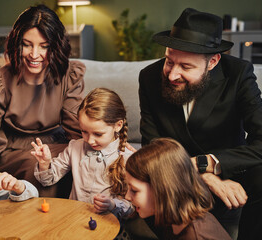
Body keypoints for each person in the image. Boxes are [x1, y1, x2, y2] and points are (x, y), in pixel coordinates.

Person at [139, 8, 262, 240]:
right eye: (169, 61)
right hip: (175, 173)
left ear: (213, 62)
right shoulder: (148, 77)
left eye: (186, 67)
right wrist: (203, 175)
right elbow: (153, 146)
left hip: (230, 171)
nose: (173, 74)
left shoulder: (238, 75)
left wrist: (212, 163)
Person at [0, 4, 86, 197]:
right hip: (13, 151)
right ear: (16, 43)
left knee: (77, 158)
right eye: (27, 44)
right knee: (41, 167)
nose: (34, 54)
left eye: (44, 46)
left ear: (55, 46)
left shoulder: (69, 75)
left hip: (57, 144)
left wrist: (112, 146)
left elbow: (77, 130)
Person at [32, 88, 134, 221]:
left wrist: (112, 205)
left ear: (118, 125)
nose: (90, 140)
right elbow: (47, 180)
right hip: (74, 220)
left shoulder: (129, 158)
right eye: (84, 131)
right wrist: (44, 164)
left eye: (98, 134)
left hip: (108, 226)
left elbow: (132, 207)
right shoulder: (75, 147)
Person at [125, 138, 232, 240]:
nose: (127, 196)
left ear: (163, 189)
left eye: (134, 190)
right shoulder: (170, 218)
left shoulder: (196, 235)